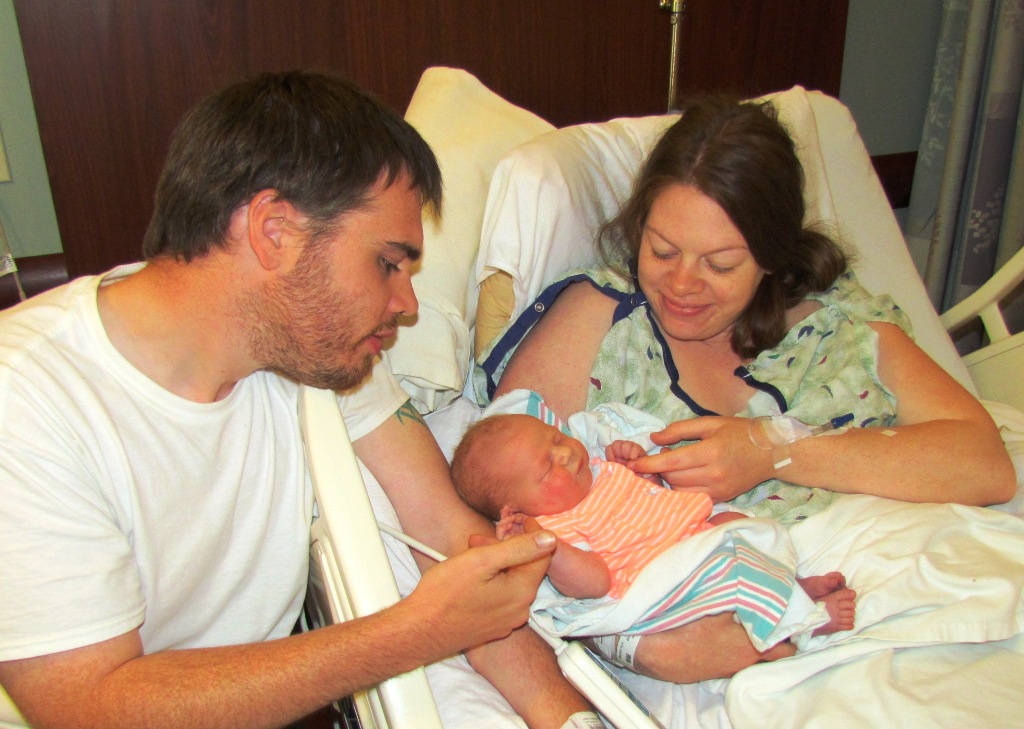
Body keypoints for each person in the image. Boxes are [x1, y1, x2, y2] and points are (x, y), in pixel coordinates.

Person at [0, 71, 600, 729]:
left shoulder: (318, 353)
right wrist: (413, 632)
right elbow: (85, 705)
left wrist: (570, 719)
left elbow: (448, 535)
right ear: (274, 231)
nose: (406, 304)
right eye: (387, 263)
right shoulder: (28, 401)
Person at [474, 94, 1016, 681]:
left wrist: (772, 451)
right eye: (662, 250)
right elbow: (491, 503)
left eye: (721, 264)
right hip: (698, 616)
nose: (682, 284)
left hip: (890, 575)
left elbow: (985, 465)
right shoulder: (600, 315)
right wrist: (632, 643)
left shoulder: (839, 325)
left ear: (772, 256)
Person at [451, 409, 855, 671]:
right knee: (730, 566)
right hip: (666, 582)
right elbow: (594, 583)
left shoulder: (601, 470)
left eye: (556, 440)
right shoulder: (556, 530)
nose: (566, 455)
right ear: (516, 509)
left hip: (693, 538)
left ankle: (788, 588)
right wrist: (548, 548)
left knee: (743, 526)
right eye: (546, 470)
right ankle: (796, 626)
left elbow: (655, 502)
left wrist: (639, 472)